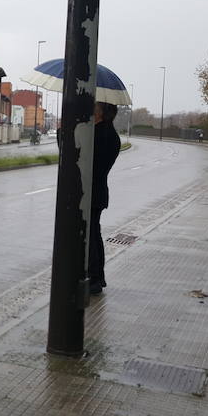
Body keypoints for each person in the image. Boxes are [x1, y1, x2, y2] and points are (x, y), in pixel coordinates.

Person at [89, 101, 121, 295]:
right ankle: (97, 277)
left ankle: (93, 278)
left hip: (90, 192)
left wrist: (62, 133)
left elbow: (74, 156)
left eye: (94, 108)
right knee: (94, 234)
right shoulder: (110, 134)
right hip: (98, 191)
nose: (91, 111)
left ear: (101, 113)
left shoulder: (100, 134)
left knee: (90, 236)